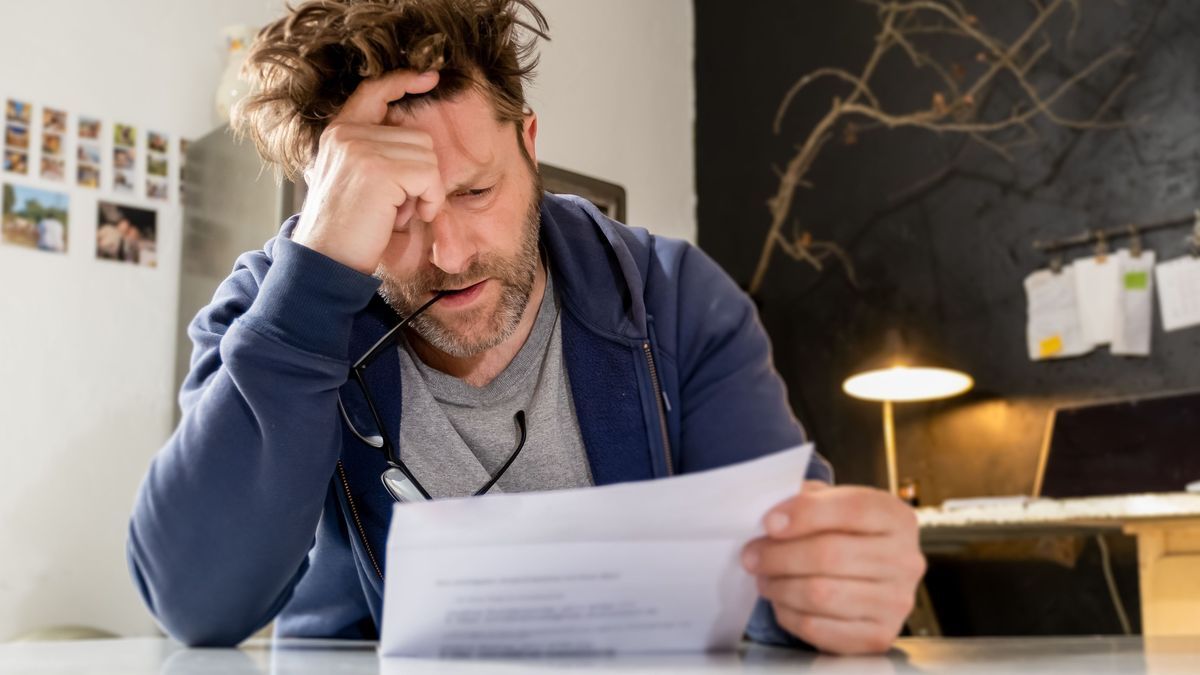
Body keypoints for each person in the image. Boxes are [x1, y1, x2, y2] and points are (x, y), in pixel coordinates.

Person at [127, 0, 924, 655]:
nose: (450, 252)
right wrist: (315, 282)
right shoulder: (272, 305)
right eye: (395, 213)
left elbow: (776, 592)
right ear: (327, 198)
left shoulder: (674, 299)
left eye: (475, 192)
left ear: (530, 146)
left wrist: (835, 590)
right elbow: (197, 606)